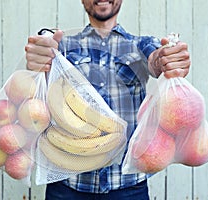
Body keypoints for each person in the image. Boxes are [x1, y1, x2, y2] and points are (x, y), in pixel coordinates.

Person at [25, 0, 190, 199]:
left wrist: (169, 59)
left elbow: (157, 59)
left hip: (128, 187)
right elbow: (46, 44)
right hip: (67, 187)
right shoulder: (65, 46)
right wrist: (42, 47)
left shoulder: (139, 45)